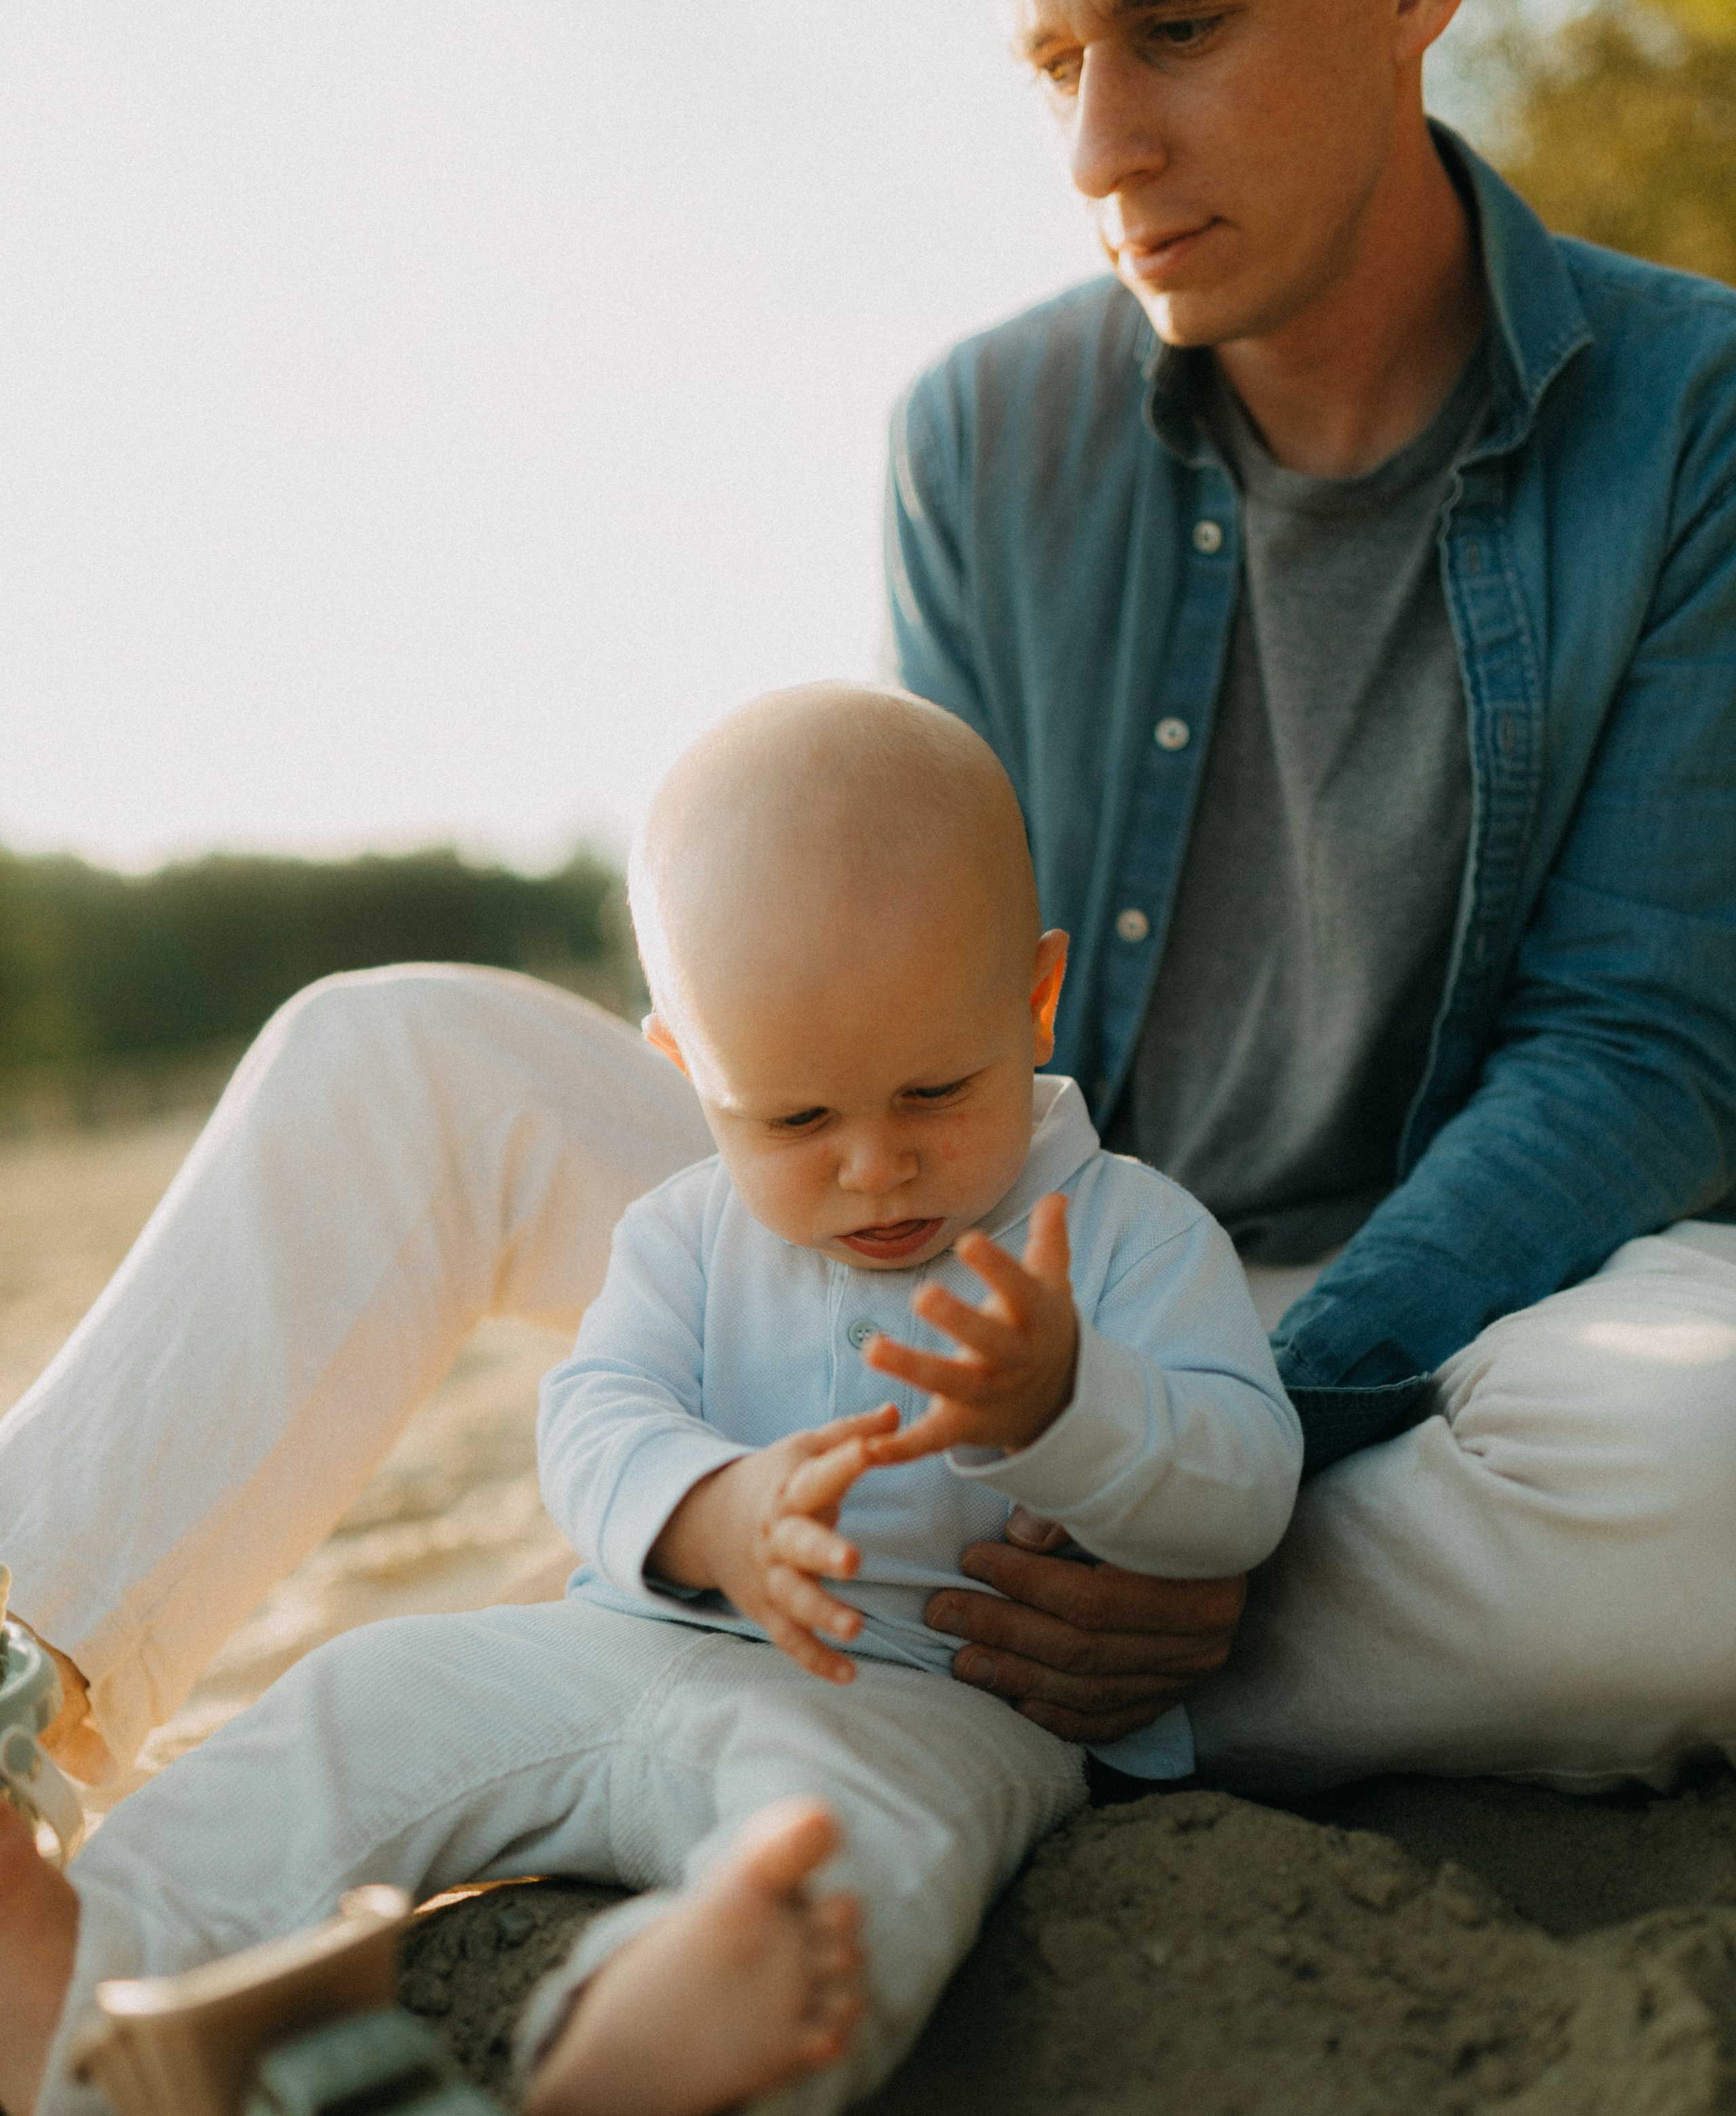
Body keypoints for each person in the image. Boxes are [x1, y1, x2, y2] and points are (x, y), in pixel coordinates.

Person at [3, 0, 1735, 1839]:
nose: (1096, 153)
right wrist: (1055, 1419)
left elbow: (1638, 1046)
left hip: (1429, 1313)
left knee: (1707, 1469)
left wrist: (1229, 1444)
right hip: (964, 1239)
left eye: (1178, 29)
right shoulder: (977, 441)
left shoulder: (1697, 411)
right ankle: (23, 1671)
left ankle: (957, 1640)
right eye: (1059, 66)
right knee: (388, 1060)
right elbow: (905, 995)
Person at [4, 688, 1301, 2116]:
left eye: (935, 1092)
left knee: (854, 1858)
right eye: (792, 1119)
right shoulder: (682, 1232)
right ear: (684, 1070)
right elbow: (593, 1415)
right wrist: (711, 1514)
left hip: (927, 1702)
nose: (875, 1168)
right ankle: (90, 1978)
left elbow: (1241, 1489)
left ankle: (645, 2062)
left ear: (1031, 1000)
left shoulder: (1122, 1236)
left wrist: (1070, 1407)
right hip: (617, 1642)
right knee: (364, 1696)